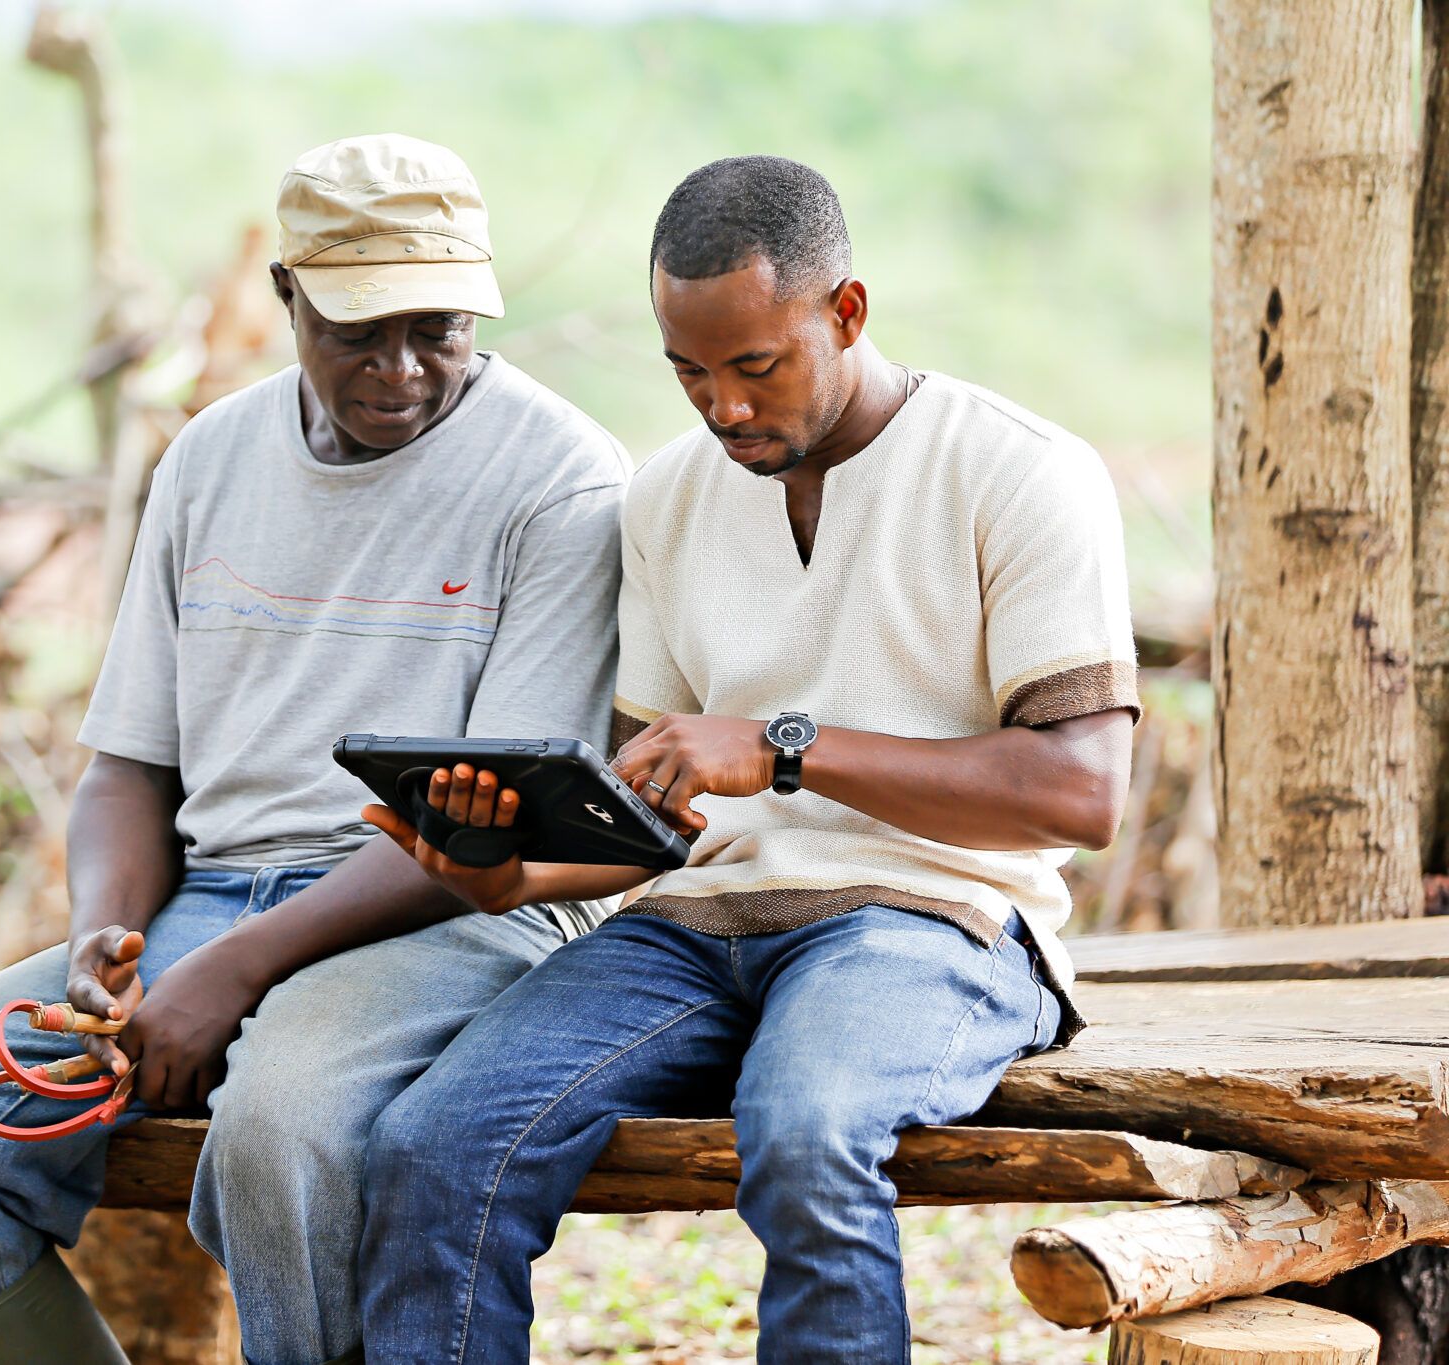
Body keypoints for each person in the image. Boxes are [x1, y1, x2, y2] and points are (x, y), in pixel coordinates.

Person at [0, 133, 630, 1365]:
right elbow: (128, 767)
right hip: (207, 904)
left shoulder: (560, 480)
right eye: (359, 331)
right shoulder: (209, 458)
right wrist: (107, 939)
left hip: (450, 909)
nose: (401, 369)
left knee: (281, 1132)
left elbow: (494, 825)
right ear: (283, 295)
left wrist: (234, 971)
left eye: (438, 330)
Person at [356, 155, 1139, 1364]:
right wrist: (507, 875)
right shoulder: (666, 498)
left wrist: (783, 749)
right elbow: (650, 819)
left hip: (931, 921)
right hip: (688, 930)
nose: (720, 407)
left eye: (755, 366)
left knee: (808, 1129)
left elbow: (1078, 794)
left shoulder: (1016, 469)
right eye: (687, 371)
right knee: (432, 1146)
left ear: (846, 312)